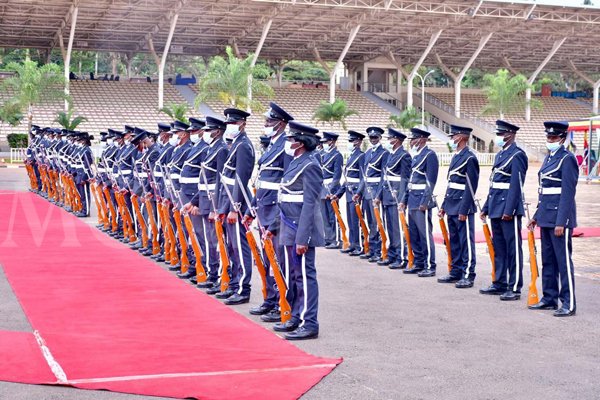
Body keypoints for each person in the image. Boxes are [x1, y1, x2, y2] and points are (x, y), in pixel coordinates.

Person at [267, 121, 324, 340]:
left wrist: (303, 238)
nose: (288, 143)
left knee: (305, 276)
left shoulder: (311, 165)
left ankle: (310, 322)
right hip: (287, 226)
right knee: (293, 274)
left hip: (299, 229)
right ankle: (296, 315)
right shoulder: (295, 162)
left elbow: (310, 204)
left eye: (291, 139)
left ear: (300, 143)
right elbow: (284, 198)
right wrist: (273, 228)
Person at [243, 102, 293, 321]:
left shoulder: (287, 146)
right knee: (267, 258)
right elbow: (262, 181)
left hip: (276, 212)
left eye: (270, 121)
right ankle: (271, 298)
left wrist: (275, 218)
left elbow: (286, 183)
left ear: (281, 124)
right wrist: (251, 208)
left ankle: (283, 301)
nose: (266, 124)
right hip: (263, 209)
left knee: (278, 260)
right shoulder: (272, 145)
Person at [528, 121, 578, 317]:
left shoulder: (567, 159)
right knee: (547, 261)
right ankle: (549, 298)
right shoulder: (549, 158)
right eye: (548, 137)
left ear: (562, 139)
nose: (550, 140)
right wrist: (535, 216)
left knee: (563, 262)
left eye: (554, 138)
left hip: (559, 219)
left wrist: (562, 222)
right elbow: (544, 192)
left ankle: (569, 303)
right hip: (546, 217)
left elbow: (567, 193)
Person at [480, 120, 528, 300]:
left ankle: (514, 287)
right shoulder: (501, 155)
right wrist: (486, 207)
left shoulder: (517, 155)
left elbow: (516, 186)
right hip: (495, 206)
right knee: (499, 248)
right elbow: (494, 184)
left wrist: (509, 210)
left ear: (510, 134)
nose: (498, 137)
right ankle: (499, 283)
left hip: (509, 209)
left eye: (500, 134)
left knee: (513, 249)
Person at [215, 108, 255, 305]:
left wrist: (234, 207)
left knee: (240, 248)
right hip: (228, 200)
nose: (229, 126)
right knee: (232, 247)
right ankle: (233, 284)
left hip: (235, 204)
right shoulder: (236, 145)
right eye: (228, 123)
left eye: (233, 123)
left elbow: (241, 178)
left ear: (242, 124)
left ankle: (243, 287)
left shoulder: (243, 146)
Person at [185, 116, 229, 292]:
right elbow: (203, 181)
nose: (205, 133)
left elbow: (219, 181)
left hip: (212, 201)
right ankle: (212, 273)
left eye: (209, 130)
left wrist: (214, 208)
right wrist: (193, 201)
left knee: (215, 241)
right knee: (209, 240)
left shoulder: (221, 150)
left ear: (217, 131)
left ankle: (218, 275)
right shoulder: (211, 149)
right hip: (204, 198)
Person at [437, 125, 480, 288]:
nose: (452, 140)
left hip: (463, 205)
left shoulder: (470, 158)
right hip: (451, 204)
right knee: (454, 240)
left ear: (462, 137)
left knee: (465, 242)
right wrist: (443, 205)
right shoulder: (456, 157)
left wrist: (464, 209)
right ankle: (455, 271)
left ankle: (468, 274)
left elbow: (471, 186)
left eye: (454, 137)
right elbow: (451, 183)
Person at [401, 127, 438, 277]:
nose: (412, 142)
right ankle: (419, 262)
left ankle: (429, 264)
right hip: (412, 199)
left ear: (422, 139)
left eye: (414, 139)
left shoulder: (430, 155)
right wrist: (404, 200)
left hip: (422, 201)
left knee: (424, 234)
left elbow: (430, 181)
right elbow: (410, 181)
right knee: (414, 233)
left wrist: (425, 201)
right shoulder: (416, 156)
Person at [375, 127, 411, 269]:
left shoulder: (404, 155)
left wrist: (402, 199)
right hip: (386, 195)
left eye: (390, 138)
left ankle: (401, 257)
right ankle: (392, 254)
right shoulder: (390, 155)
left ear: (396, 140)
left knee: (397, 228)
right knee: (389, 227)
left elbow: (404, 179)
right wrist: (378, 196)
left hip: (396, 196)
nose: (389, 141)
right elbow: (385, 177)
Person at [353, 127, 389, 263]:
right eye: (371, 138)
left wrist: (378, 195)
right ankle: (371, 249)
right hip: (366, 191)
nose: (373, 140)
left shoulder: (384, 153)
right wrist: (358, 193)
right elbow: (364, 176)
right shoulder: (367, 153)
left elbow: (382, 176)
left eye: (375, 138)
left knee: (376, 222)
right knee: (368, 222)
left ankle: (378, 250)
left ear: (380, 138)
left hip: (375, 192)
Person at [333, 130, 365, 256]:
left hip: (355, 192)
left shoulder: (361, 156)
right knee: (350, 220)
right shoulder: (352, 155)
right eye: (350, 141)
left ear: (359, 142)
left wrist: (358, 192)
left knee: (355, 220)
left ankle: (358, 246)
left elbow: (363, 177)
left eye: (353, 141)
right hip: (348, 191)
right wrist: (338, 194)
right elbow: (346, 179)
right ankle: (352, 244)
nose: (350, 143)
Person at [320, 131, 344, 249]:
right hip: (322, 188)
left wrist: (331, 190)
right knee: (324, 215)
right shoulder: (323, 154)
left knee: (332, 215)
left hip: (331, 188)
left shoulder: (337, 155)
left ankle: (336, 239)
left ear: (332, 142)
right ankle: (328, 238)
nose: (324, 144)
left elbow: (337, 176)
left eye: (326, 142)